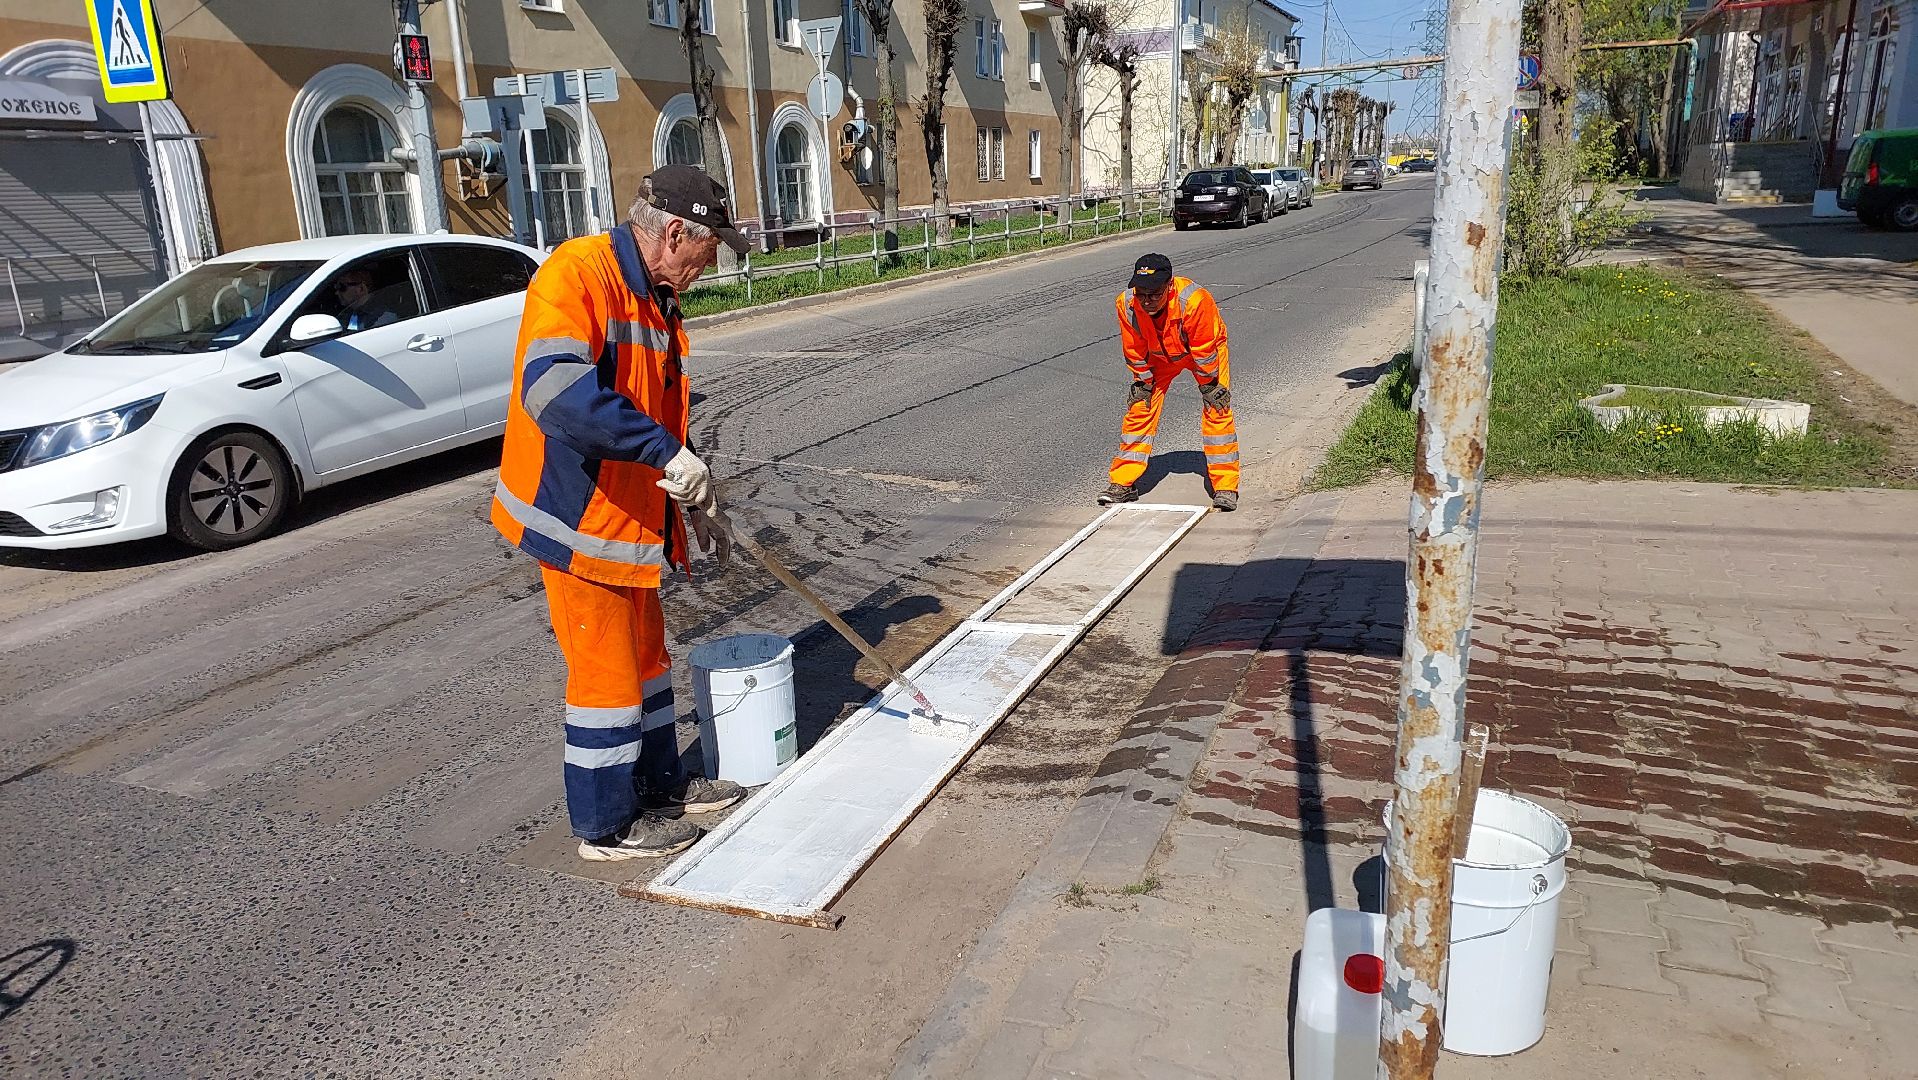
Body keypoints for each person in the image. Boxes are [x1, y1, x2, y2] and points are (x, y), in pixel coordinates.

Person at [492, 165, 753, 862]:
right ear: (674, 233)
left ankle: (663, 786)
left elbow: (654, 407)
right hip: (579, 525)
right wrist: (666, 454)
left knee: (645, 664)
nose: (709, 265)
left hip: (630, 525)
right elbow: (556, 394)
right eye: (708, 250)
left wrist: (692, 492)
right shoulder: (576, 276)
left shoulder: (657, 297)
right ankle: (607, 826)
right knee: (605, 682)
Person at [1101, 253, 1240, 511]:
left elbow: (1204, 348)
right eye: (1141, 293)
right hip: (1158, 356)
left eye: (1154, 294)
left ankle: (1225, 486)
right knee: (1140, 408)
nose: (1147, 301)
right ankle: (1123, 482)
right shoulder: (1127, 304)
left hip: (1198, 353)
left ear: (1170, 285)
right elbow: (1133, 347)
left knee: (1217, 407)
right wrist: (1143, 381)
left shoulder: (1195, 301)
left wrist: (1210, 384)